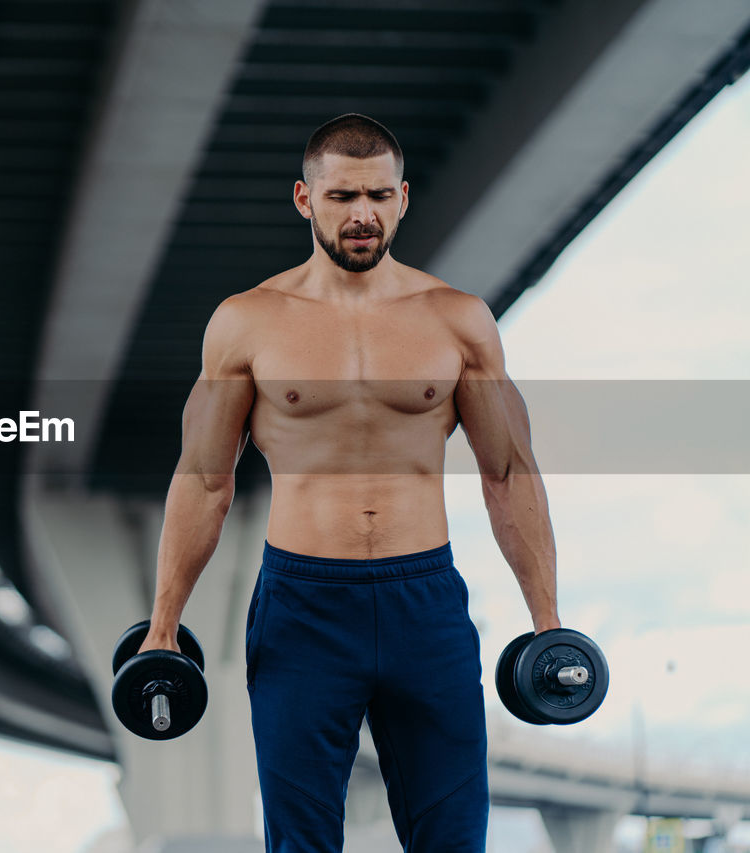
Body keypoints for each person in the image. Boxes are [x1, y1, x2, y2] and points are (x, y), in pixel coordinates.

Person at [134, 113, 560, 852]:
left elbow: (509, 471)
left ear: (402, 199)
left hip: (423, 603)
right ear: (305, 199)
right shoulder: (247, 323)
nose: (361, 213)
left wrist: (547, 623)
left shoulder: (458, 321)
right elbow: (204, 481)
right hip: (303, 608)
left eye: (377, 195)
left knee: (455, 839)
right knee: (300, 843)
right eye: (341, 197)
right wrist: (163, 627)